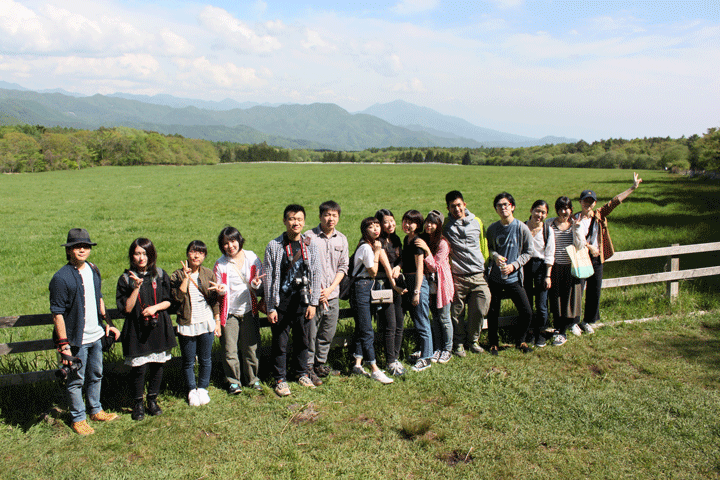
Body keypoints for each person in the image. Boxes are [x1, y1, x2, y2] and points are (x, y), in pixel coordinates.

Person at [49, 228, 120, 435]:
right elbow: (57, 314)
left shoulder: (93, 269)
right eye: (77, 246)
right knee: (75, 380)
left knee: (96, 374)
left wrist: (107, 323)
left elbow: (98, 299)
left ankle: (96, 409)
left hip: (96, 335)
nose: (82, 249)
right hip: (75, 340)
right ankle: (78, 418)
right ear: (69, 250)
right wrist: (64, 345)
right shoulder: (61, 278)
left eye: (85, 246)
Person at [116, 238, 177, 421]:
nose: (141, 257)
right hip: (136, 329)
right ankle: (137, 404)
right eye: (137, 253)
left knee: (158, 366)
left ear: (151, 255)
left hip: (158, 326)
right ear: (132, 256)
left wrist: (155, 308)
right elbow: (126, 309)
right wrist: (136, 288)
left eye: (145, 253)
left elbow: (169, 301)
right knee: (139, 369)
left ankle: (152, 400)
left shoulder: (159, 274)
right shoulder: (126, 279)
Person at [264, 204, 321, 397]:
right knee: (280, 343)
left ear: (304, 222)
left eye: (299, 219)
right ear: (284, 221)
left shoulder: (310, 245)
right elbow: (269, 277)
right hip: (281, 304)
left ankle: (302, 373)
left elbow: (316, 274)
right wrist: (270, 307)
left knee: (303, 341)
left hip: (303, 303)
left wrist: (313, 303)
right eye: (291, 219)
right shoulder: (274, 245)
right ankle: (280, 379)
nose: (295, 223)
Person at [575, 172, 643, 333]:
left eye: (591, 202)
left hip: (597, 259)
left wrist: (632, 188)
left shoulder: (599, 215)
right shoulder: (574, 218)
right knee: (578, 291)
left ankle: (588, 321)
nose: (588, 204)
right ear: (580, 202)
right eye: (585, 201)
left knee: (594, 290)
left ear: (595, 203)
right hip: (580, 259)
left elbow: (615, 201)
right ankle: (574, 321)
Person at [213, 226, 264, 394]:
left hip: (250, 309)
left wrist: (256, 284)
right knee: (229, 349)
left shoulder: (252, 257)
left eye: (233, 241)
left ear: (239, 240)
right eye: (226, 243)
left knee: (251, 347)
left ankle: (253, 379)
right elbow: (219, 288)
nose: (230, 246)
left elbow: (259, 279)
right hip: (229, 312)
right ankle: (233, 381)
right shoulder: (220, 264)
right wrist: (220, 290)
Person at [171, 240, 221, 406]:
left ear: (204, 256)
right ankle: (192, 390)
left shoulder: (208, 274)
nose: (196, 255)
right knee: (188, 360)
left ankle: (203, 388)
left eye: (200, 252)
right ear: (187, 253)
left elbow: (214, 300)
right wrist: (185, 278)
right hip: (187, 323)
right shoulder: (177, 275)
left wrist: (217, 321)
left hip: (206, 321)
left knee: (206, 359)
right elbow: (177, 298)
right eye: (193, 251)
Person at [305, 201, 349, 384]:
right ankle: (307, 367)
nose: (330, 219)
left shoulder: (342, 239)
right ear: (320, 216)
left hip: (332, 295)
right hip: (312, 296)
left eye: (334, 215)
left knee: (327, 333)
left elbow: (343, 266)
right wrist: (316, 291)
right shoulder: (308, 237)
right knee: (310, 333)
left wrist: (330, 289)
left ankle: (320, 364)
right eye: (327, 215)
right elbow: (304, 266)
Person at [443, 191, 491, 356]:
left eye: (458, 205)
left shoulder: (477, 222)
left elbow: (483, 244)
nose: (456, 209)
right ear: (448, 208)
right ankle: (459, 343)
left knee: (480, 308)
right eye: (452, 206)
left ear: (464, 204)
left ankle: (474, 340)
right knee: (456, 312)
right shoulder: (446, 226)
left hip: (478, 275)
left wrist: (484, 264)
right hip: (458, 276)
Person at [350, 217, 397, 384]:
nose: (376, 229)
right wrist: (377, 251)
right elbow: (373, 272)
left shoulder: (369, 246)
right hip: (362, 286)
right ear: (365, 230)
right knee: (367, 329)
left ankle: (357, 364)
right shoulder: (366, 248)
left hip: (365, 287)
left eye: (377, 226)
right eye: (371, 227)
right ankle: (374, 368)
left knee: (362, 326)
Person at [486, 192, 534, 355]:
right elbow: (489, 249)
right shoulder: (492, 229)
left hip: (514, 278)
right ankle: (493, 343)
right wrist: (495, 256)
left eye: (506, 204)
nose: (503, 207)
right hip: (495, 278)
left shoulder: (521, 228)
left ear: (512, 207)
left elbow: (529, 252)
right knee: (493, 312)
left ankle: (521, 340)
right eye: (499, 205)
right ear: (496, 209)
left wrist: (514, 266)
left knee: (526, 311)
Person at [414, 210, 454, 364]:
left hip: (442, 287)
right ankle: (437, 348)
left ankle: (447, 349)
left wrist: (426, 249)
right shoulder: (425, 239)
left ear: (439, 226)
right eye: (427, 222)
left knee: (444, 318)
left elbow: (434, 267)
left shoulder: (443, 243)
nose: (429, 225)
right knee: (435, 319)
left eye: (433, 223)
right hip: (429, 287)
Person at [547, 197, 583, 346]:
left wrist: (578, 228)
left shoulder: (574, 224)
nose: (563, 212)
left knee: (567, 299)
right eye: (560, 208)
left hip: (570, 267)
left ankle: (563, 331)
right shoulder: (549, 223)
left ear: (571, 209)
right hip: (554, 266)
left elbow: (580, 246)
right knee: (555, 298)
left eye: (566, 208)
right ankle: (557, 327)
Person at [401, 210, 434, 372]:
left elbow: (420, 268)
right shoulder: (406, 239)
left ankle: (426, 358)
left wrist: (417, 291)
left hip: (418, 282)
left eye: (411, 222)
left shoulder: (417, 242)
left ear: (418, 225)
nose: (407, 225)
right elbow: (404, 261)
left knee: (422, 320)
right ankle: (423, 351)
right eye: (405, 221)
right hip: (409, 280)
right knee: (416, 319)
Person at [374, 209, 406, 376]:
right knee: (390, 324)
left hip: (397, 283)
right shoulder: (377, 242)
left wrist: (398, 267)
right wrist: (392, 272)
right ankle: (390, 361)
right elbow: (381, 264)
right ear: (379, 224)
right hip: (384, 285)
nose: (391, 224)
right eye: (386, 222)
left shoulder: (395, 239)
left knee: (400, 322)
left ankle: (396, 357)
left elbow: (401, 258)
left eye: (392, 220)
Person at [523, 200, 555, 347]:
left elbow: (549, 253)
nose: (539, 215)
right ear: (531, 210)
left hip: (541, 267)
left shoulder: (548, 230)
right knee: (527, 303)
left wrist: (548, 275)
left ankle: (541, 332)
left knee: (542, 305)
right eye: (537, 211)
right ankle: (529, 332)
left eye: (543, 212)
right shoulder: (522, 227)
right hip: (525, 266)